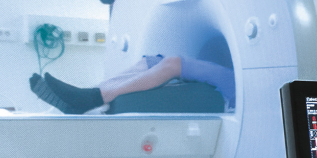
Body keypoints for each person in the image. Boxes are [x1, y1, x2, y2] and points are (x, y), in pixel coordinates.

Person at [29, 54, 235, 114]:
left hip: (239, 88)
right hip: (233, 81)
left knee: (172, 63)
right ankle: (88, 98)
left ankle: (90, 98)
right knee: (151, 62)